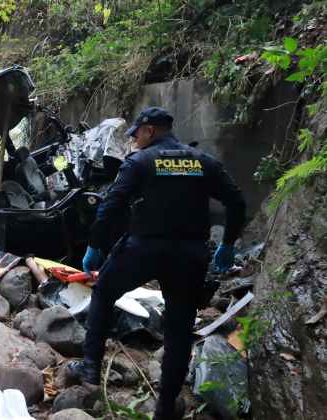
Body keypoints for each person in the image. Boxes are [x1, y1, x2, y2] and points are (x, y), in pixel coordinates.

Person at [70, 107, 247, 420]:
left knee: (104, 292)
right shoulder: (203, 162)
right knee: (179, 330)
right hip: (189, 256)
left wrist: (95, 246)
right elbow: (236, 201)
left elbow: (111, 206)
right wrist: (228, 244)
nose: (134, 140)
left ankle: (90, 368)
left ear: (149, 130)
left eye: (135, 133)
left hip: (142, 250)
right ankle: (166, 406)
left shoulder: (139, 162)